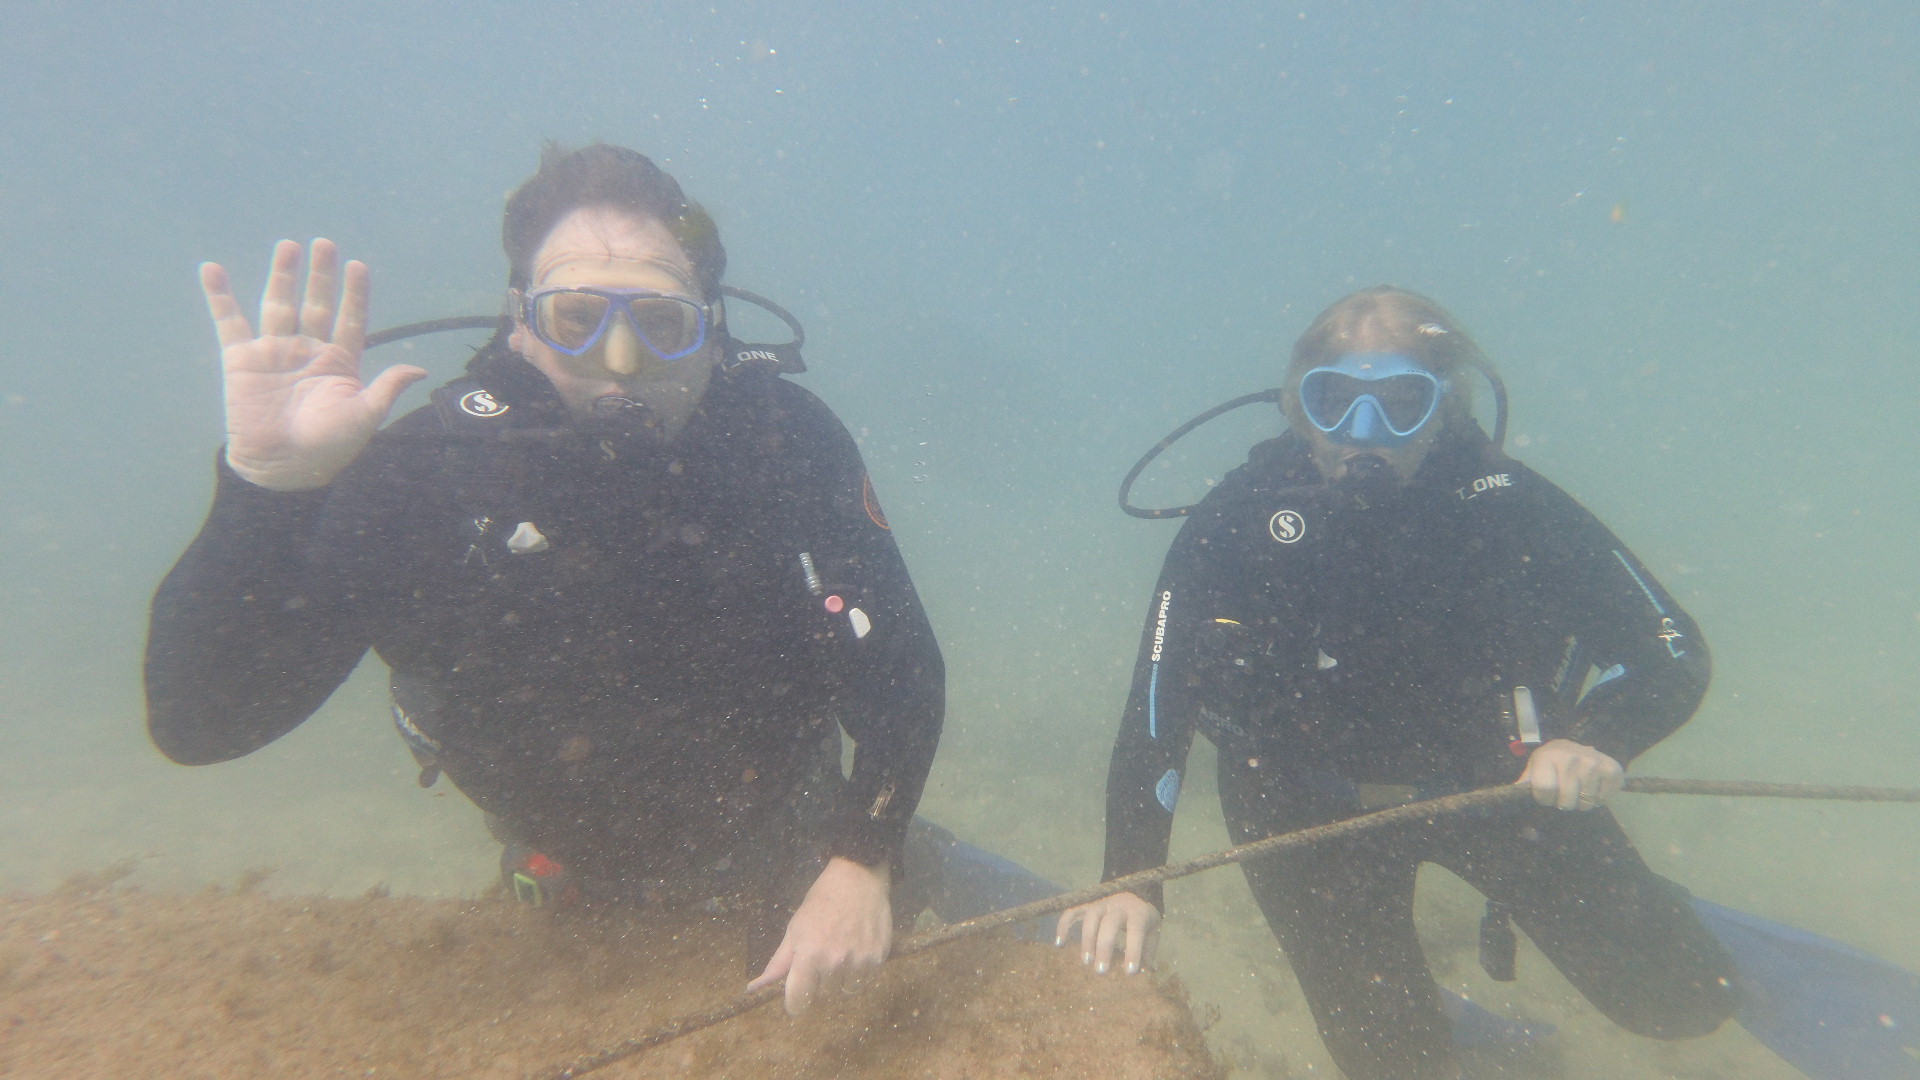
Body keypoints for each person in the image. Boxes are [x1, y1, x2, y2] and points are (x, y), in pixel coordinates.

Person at [144, 143, 944, 1015]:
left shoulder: (785, 445)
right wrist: (269, 492)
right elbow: (202, 724)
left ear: (712, 329)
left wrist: (862, 856)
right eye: (577, 318)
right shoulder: (432, 474)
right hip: (562, 861)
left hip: (788, 837)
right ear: (519, 322)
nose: (622, 360)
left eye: (662, 322)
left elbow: (903, 674)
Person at [1058, 287, 1739, 1079]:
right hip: (1301, 812)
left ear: (1445, 407)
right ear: (1298, 406)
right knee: (1393, 1064)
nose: (1363, 434)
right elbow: (1157, 702)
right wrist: (1131, 877)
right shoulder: (1238, 518)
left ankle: (1678, 920)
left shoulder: (1508, 506)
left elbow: (1672, 648)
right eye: (1336, 401)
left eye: (1401, 405)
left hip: (1499, 789)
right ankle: (1435, 1024)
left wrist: (1595, 741)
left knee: (1681, 1003)